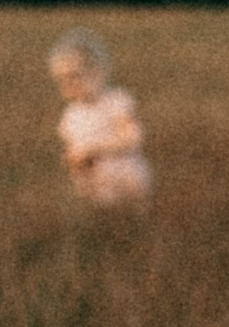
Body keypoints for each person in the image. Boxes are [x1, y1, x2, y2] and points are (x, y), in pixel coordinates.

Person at [48, 32, 153, 207]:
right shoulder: (71, 116)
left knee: (130, 218)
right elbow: (73, 148)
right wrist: (73, 159)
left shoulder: (116, 101)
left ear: (97, 72)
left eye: (76, 76)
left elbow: (134, 138)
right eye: (63, 80)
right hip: (93, 187)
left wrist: (96, 150)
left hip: (125, 180)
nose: (70, 84)